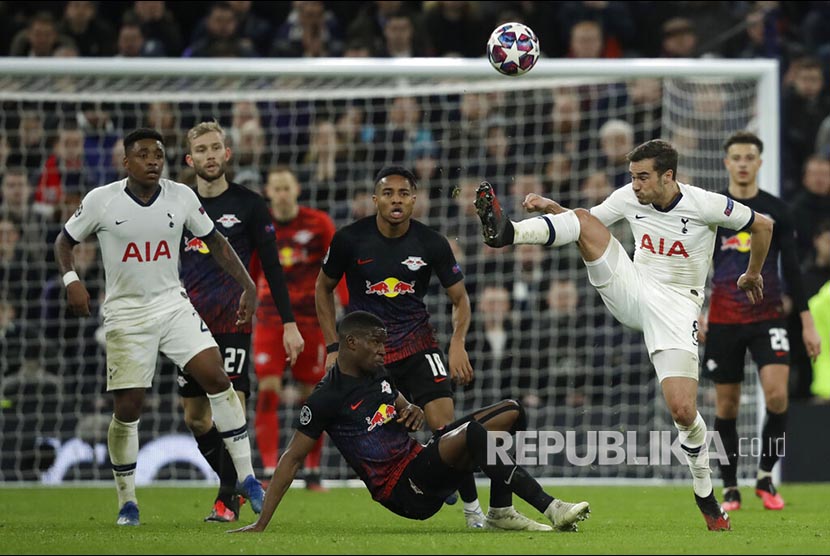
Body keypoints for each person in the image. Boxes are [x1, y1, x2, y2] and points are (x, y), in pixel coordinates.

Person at [475, 139, 774, 532]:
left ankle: (705, 494)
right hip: (632, 286)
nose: (635, 185)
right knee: (581, 219)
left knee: (683, 412)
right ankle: (506, 233)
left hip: (678, 306)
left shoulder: (704, 203)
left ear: (668, 176)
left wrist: (752, 272)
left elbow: (764, 224)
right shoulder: (629, 197)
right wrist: (552, 210)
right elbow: (586, 222)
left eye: (643, 177)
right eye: (633, 177)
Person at [53, 128, 267, 526]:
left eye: (158, 154)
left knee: (217, 378)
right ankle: (127, 502)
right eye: (143, 154)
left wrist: (249, 285)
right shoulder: (102, 201)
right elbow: (63, 242)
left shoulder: (181, 196)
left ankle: (248, 478)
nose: (153, 160)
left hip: (172, 305)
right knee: (129, 408)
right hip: (126, 315)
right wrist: (72, 282)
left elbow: (217, 242)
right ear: (126, 162)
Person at [229, 310, 591, 533]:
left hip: (419, 461)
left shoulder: (377, 374)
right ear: (351, 343)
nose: (384, 350)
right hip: (402, 490)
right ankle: (550, 507)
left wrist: (413, 410)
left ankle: (500, 510)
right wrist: (262, 523)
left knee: (512, 411)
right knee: (476, 434)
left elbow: (404, 409)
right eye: (377, 343)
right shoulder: (327, 396)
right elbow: (292, 458)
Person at [314, 166, 484, 528]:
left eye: (403, 193)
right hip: (370, 358)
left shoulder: (432, 243)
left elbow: (460, 299)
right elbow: (322, 289)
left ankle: (474, 514)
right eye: (388, 193)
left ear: (414, 200)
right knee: (387, 433)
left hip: (418, 344)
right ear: (375, 199)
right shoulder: (349, 240)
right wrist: (332, 346)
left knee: (448, 428)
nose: (396, 199)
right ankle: (433, 477)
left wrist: (457, 343)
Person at [178, 122, 305, 523]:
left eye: (216, 147)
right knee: (196, 417)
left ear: (227, 154)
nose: (210, 155)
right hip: (186, 324)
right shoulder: (179, 204)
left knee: (233, 408)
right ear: (190, 159)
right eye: (202, 150)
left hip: (234, 319)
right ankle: (237, 484)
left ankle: (225, 500)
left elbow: (272, 266)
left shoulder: (249, 205)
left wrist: (288, 323)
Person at [699, 131, 822, 512]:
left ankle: (766, 476)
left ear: (759, 161)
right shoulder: (714, 208)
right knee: (728, 407)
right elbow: (696, 262)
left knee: (777, 395)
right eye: (735, 156)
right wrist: (697, 308)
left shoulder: (776, 211)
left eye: (749, 156)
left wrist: (806, 323)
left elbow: (794, 273)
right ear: (726, 162)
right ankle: (730, 486)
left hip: (768, 315)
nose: (742, 163)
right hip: (722, 318)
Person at [252, 166, 347, 491]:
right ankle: (266, 469)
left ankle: (311, 470)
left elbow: (338, 265)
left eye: (286, 187)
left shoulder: (318, 223)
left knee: (313, 395)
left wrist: (345, 304)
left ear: (296, 191)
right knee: (268, 390)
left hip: (311, 320)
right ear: (268, 192)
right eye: (275, 188)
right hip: (270, 318)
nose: (281, 193)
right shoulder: (261, 224)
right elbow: (251, 268)